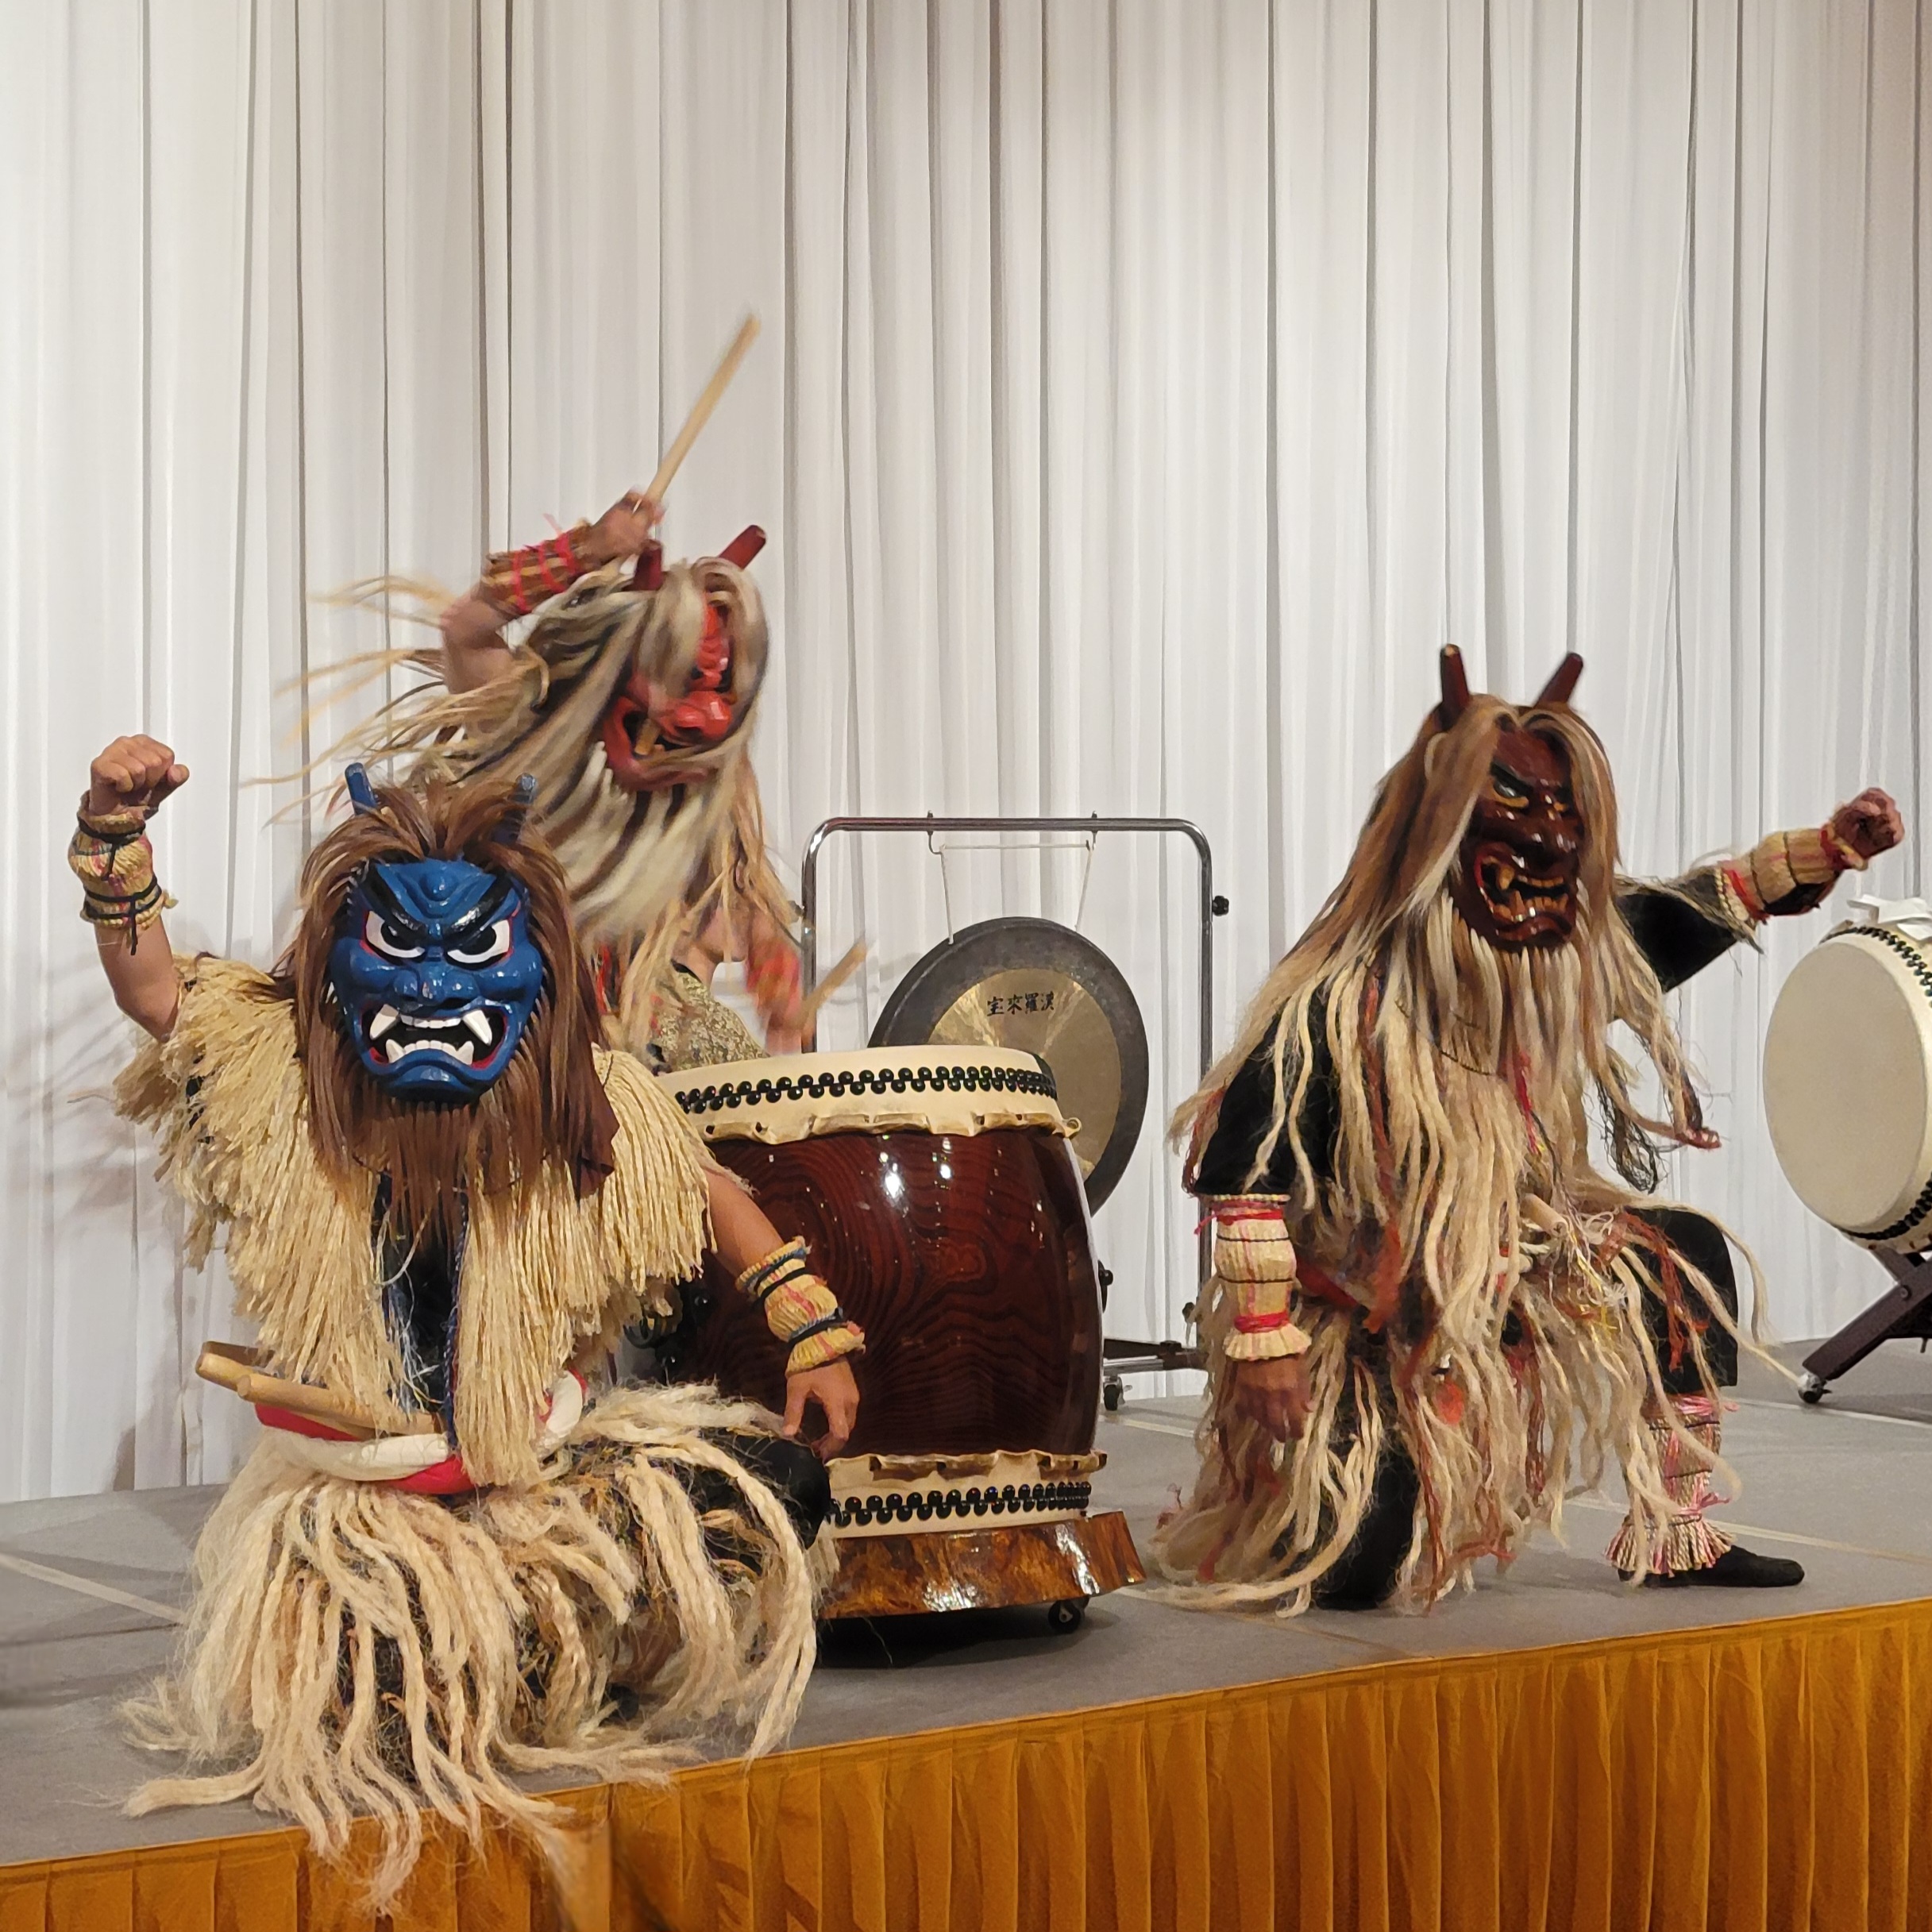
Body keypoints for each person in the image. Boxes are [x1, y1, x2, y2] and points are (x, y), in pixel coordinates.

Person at [73, 733, 861, 1899]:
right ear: (341, 959)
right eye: (400, 949)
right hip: (356, 1517)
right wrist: (114, 834)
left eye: (473, 952)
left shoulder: (573, 1106)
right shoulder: (269, 1071)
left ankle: (566, 1636)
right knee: (390, 1669)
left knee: (771, 1489)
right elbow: (157, 992)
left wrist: (813, 1324)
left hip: (522, 1486)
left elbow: (701, 1185)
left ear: (533, 967)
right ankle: (427, 1656)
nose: (436, 990)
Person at [1156, 648, 1903, 1610]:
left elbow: (1672, 921)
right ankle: (1324, 1494)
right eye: (1516, 806)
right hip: (1365, 1309)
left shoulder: (1550, 971)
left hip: (1515, 1259)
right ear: (1440, 830)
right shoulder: (1338, 1007)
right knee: (1358, 1568)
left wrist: (1823, 848)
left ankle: (1677, 1529)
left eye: (1564, 814)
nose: (1550, 840)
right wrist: (1264, 1342)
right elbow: (1244, 1168)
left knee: (1679, 1260)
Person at [351, 492, 808, 1063]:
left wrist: (786, 1020)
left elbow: (751, 889)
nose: (696, 719)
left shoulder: (713, 773)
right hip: (481, 1010)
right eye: (681, 682)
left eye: (719, 699)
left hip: (624, 1039)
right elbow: (466, 631)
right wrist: (585, 549)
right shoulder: (532, 713)